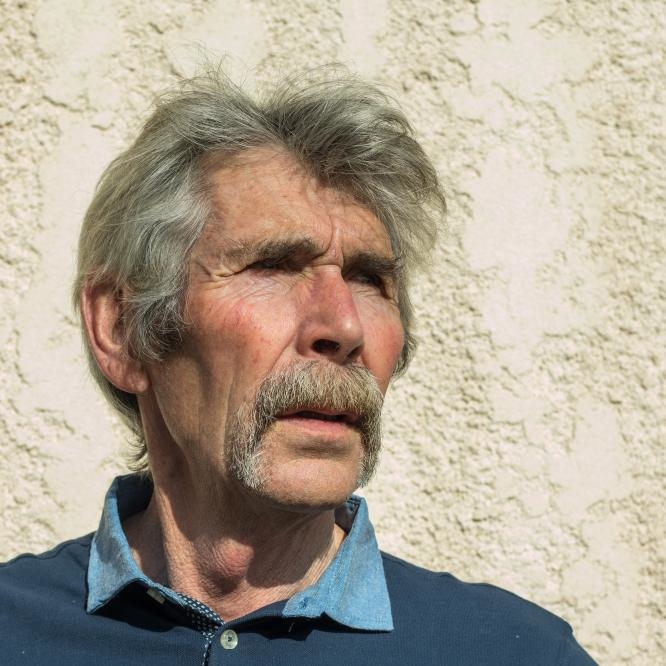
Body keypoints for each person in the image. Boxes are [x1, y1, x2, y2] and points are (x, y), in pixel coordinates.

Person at [0, 66, 598, 665]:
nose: (343, 327)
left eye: (368, 278)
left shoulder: (518, 654)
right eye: (273, 266)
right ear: (123, 329)